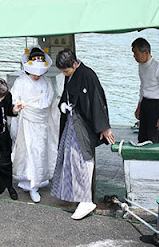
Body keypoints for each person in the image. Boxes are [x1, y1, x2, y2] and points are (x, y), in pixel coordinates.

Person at [51, 48, 115, 220]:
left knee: (81, 158)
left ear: (74, 63)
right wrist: (63, 104)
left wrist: (104, 127)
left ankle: (86, 199)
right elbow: (67, 95)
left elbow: (97, 99)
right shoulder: (70, 74)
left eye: (66, 70)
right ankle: (75, 195)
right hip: (72, 120)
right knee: (68, 156)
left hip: (82, 123)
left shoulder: (88, 74)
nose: (64, 74)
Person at [10, 46, 59, 203]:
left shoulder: (47, 81)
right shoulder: (21, 80)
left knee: (40, 152)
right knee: (29, 152)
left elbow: (51, 98)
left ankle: (36, 182)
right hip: (27, 119)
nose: (36, 76)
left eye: (39, 73)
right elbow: (13, 97)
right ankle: (30, 184)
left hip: (42, 121)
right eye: (33, 73)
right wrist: (19, 104)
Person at [131, 37, 159, 144]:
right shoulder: (141, 65)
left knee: (155, 140)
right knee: (143, 138)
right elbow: (143, 86)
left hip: (157, 105)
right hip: (145, 103)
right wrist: (139, 106)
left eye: (136, 53)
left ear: (145, 52)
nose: (134, 56)